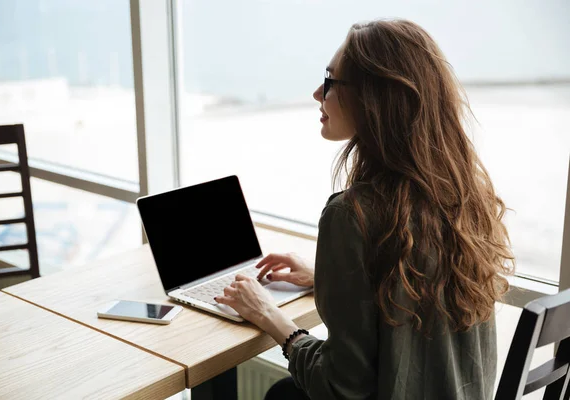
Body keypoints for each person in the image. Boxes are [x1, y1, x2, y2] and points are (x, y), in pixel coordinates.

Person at [215, 18, 515, 400]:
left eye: (330, 81)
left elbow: (342, 388)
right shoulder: (465, 198)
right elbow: (415, 299)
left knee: (283, 395)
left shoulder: (352, 214)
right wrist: (324, 275)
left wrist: (270, 317)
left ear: (374, 99)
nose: (315, 94)